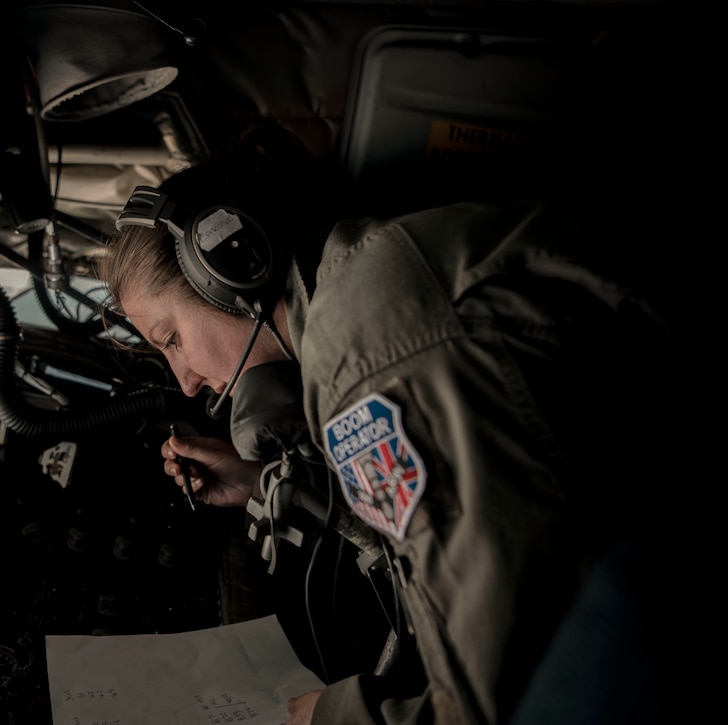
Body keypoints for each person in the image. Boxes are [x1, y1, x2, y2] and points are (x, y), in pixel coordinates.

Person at [95, 123, 681, 724]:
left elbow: (496, 696)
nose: (186, 381)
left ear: (227, 268)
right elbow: (442, 521)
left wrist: (334, 716)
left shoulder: (374, 349)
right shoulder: (358, 288)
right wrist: (271, 485)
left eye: (171, 340)